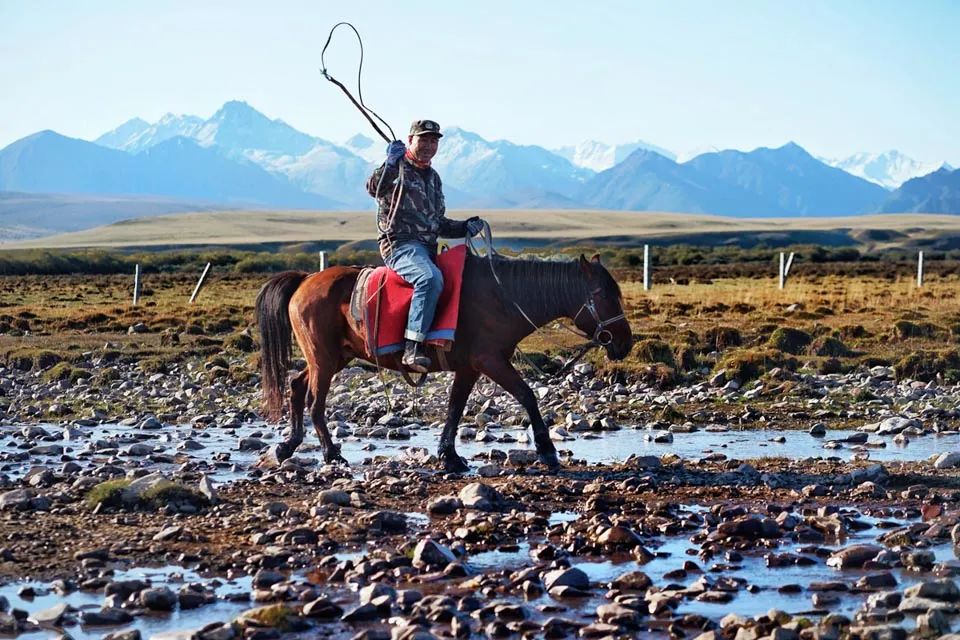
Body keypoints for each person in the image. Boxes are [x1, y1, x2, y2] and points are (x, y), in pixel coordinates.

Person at [366, 119, 485, 372]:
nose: (429, 145)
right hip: (400, 245)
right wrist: (389, 163)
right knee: (430, 279)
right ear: (410, 141)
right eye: (424, 139)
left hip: (428, 247)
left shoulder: (434, 178)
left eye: (434, 140)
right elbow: (374, 189)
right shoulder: (395, 167)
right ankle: (413, 347)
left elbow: (437, 222)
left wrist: (464, 227)